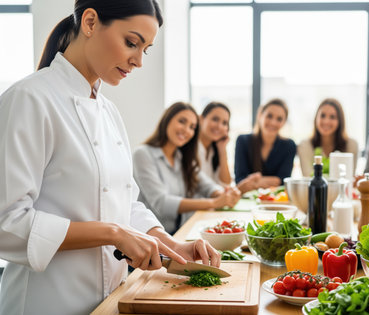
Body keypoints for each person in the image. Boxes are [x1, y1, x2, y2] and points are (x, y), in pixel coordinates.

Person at [0, 2, 220, 314]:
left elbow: (126, 203)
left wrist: (173, 247)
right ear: (89, 22)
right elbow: (6, 223)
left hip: (110, 300)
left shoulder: (109, 112)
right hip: (44, 302)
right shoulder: (29, 99)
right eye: (131, 43)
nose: (139, 61)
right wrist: (112, 233)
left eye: (146, 49)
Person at [133, 102, 241, 235]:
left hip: (182, 230)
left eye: (192, 127)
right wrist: (213, 202)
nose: (186, 130)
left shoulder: (181, 157)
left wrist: (223, 194)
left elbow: (208, 186)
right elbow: (161, 203)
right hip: (152, 237)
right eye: (182, 121)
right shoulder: (143, 154)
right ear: (167, 119)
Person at [234, 98, 296, 193]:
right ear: (260, 115)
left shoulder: (289, 146)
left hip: (275, 201)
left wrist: (254, 181)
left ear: (284, 122)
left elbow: (284, 180)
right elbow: (240, 181)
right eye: (269, 116)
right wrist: (274, 180)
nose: (273, 122)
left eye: (279, 119)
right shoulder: (242, 141)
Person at [298, 98, 359, 177]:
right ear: (316, 118)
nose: (326, 121)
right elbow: (308, 177)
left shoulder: (352, 145)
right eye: (322, 116)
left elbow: (349, 178)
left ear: (340, 121)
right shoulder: (305, 145)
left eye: (332, 117)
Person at [198, 102, 232, 186]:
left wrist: (222, 149)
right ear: (201, 119)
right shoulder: (190, 148)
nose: (219, 126)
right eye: (215, 119)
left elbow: (225, 184)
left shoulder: (213, 150)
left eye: (224, 123)